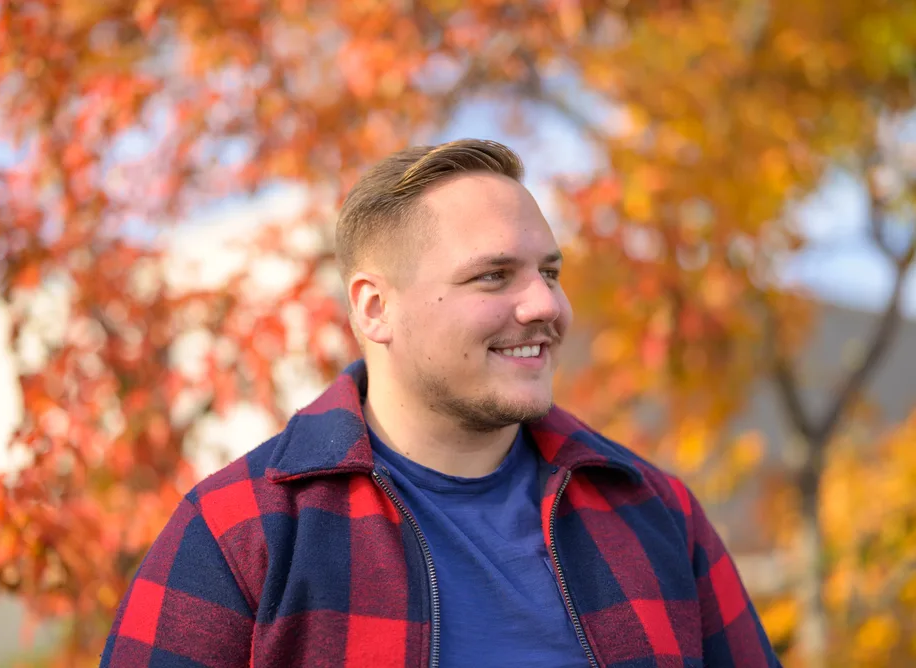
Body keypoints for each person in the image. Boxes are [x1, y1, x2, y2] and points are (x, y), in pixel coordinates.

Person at [100, 139, 781, 667]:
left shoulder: (652, 512)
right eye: (494, 276)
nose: (545, 304)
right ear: (375, 308)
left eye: (549, 272)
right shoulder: (240, 532)